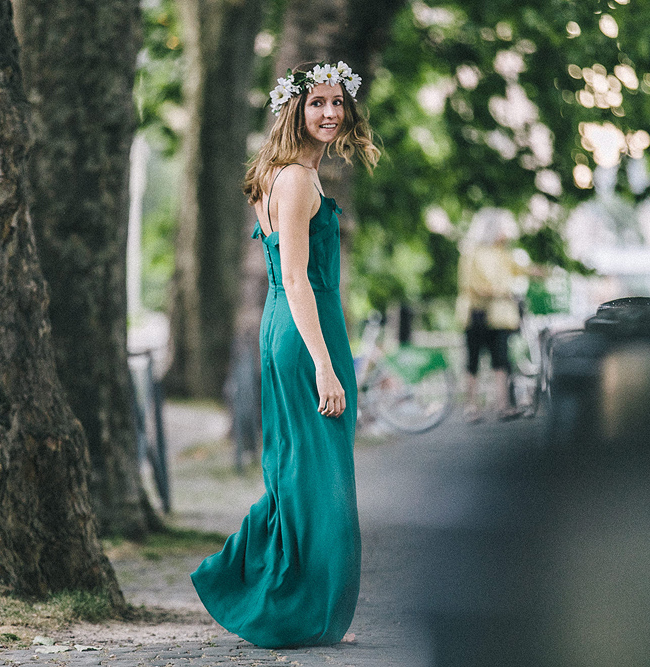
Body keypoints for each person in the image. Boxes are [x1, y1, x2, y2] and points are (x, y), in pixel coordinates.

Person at [190, 61, 380, 649]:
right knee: (320, 475)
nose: (330, 112)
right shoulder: (295, 179)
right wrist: (324, 363)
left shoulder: (281, 173)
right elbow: (295, 278)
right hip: (306, 331)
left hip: (292, 327)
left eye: (337, 102)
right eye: (317, 102)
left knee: (301, 469)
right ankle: (292, 607)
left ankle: (300, 606)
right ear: (293, 109)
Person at [455, 208, 530, 422]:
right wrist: (501, 293)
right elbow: (472, 286)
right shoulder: (472, 253)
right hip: (477, 314)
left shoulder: (503, 254)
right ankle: (471, 406)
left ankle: (503, 405)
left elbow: (521, 270)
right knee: (473, 361)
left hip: (500, 317)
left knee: (501, 360)